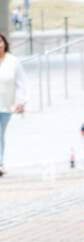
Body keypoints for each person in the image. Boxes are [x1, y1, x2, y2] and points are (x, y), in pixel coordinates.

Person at [0, 32, 28, 176]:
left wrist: (20, 102)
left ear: (4, 43)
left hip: (6, 106)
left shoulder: (13, 61)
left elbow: (21, 84)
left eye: (0, 42)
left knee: (0, 134)